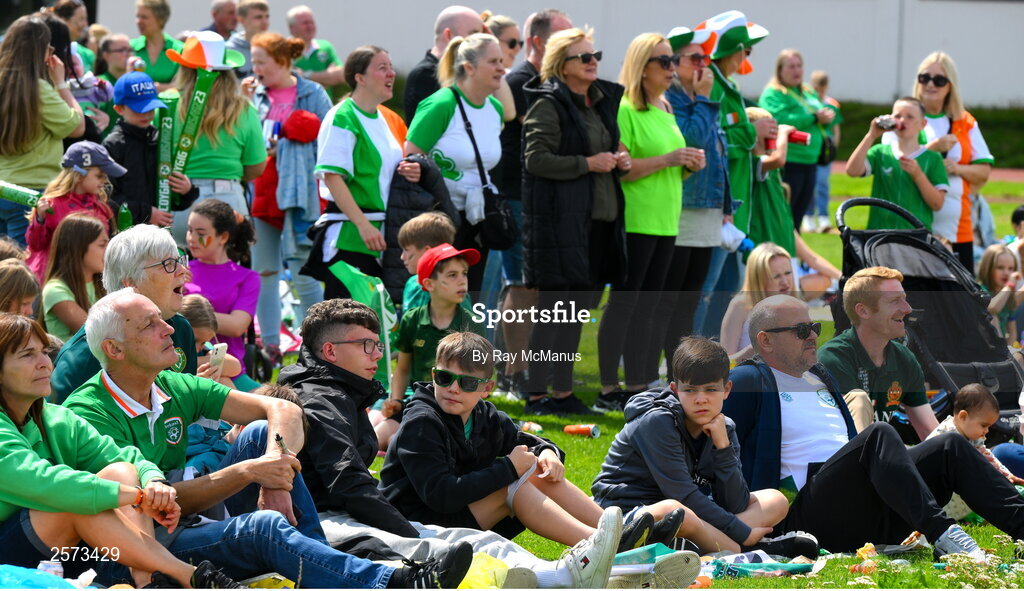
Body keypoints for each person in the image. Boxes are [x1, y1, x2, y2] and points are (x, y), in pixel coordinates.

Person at [63, 289, 473, 589]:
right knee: (263, 528)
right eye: (150, 324)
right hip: (140, 550)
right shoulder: (90, 412)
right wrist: (247, 472)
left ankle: (322, 564)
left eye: (161, 317)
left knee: (261, 433)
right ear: (114, 349)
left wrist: (274, 468)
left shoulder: (169, 383)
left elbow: (284, 409)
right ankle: (393, 584)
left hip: (188, 517)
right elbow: (156, 508)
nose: (169, 327)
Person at [724, 294, 1024, 557]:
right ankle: (943, 533)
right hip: (806, 517)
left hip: (862, 507)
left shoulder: (820, 377)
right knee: (878, 433)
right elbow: (708, 443)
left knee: (951, 445)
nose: (813, 336)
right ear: (765, 340)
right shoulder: (750, 381)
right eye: (801, 331)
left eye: (813, 328)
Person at [0, 313, 242, 589]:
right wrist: (136, 495)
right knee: (74, 502)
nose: (45, 363)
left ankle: (148, 582)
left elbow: (123, 457)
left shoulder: (55, 418)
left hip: (77, 552)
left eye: (44, 352)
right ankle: (188, 575)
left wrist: (153, 482)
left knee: (122, 471)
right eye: (28, 355)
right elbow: (46, 483)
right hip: (8, 561)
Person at [381, 331, 647, 562]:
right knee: (514, 482)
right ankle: (604, 545)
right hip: (415, 527)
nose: (453, 388)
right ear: (433, 375)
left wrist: (548, 453)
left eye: (467, 383)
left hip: (454, 515)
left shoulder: (484, 415)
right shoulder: (422, 422)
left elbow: (528, 442)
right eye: (444, 377)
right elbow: (441, 495)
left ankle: (618, 533)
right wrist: (508, 468)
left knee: (534, 467)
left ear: (486, 388)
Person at [593, 336, 817, 558]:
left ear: (727, 389)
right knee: (678, 512)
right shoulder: (657, 421)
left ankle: (699, 544)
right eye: (690, 390)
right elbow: (682, 495)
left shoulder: (724, 427)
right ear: (675, 390)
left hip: (689, 514)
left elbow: (735, 503)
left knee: (774, 500)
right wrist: (743, 532)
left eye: (711, 390)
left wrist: (723, 448)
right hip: (631, 514)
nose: (701, 399)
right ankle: (751, 550)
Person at [520, 27, 626, 416]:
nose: (593, 60)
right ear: (562, 66)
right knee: (555, 313)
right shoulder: (548, 103)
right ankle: (535, 394)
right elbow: (536, 159)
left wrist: (617, 160)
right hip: (560, 227)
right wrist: (589, 163)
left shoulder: (597, 102)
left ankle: (562, 392)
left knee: (575, 315)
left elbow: (603, 150)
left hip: (594, 227)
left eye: (594, 53)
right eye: (584, 56)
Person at [597, 32, 705, 404]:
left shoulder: (665, 106)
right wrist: (669, 159)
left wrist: (688, 165)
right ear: (642, 68)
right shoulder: (625, 108)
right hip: (636, 220)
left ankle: (639, 384)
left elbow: (669, 167)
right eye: (664, 61)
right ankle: (608, 387)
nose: (672, 68)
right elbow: (623, 169)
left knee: (652, 306)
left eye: (673, 60)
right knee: (625, 305)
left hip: (666, 221)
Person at [493, 9, 573, 395]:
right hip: (519, 197)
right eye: (565, 38)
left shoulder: (554, 83)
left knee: (538, 290)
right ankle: (516, 371)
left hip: (547, 201)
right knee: (522, 287)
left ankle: (529, 372)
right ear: (539, 42)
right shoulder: (521, 80)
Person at [244, 31, 330, 364]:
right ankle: (270, 348)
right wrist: (242, 101)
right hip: (262, 196)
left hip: (300, 196)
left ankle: (318, 346)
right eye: (253, 62)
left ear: (281, 61)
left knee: (304, 272)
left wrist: (293, 142)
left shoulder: (312, 92)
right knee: (264, 273)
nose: (255, 68)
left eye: (260, 61)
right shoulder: (253, 95)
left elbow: (328, 136)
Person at [313, 45, 421, 298]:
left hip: (384, 237)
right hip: (351, 236)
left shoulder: (389, 118)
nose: (391, 73)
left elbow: (393, 169)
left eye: (391, 67)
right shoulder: (342, 116)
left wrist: (413, 169)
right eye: (382, 68)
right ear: (359, 78)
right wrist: (363, 225)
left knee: (374, 324)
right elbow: (332, 175)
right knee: (345, 323)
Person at [691, 11, 772, 339]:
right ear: (734, 48)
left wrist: (746, 135)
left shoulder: (728, 85)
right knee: (705, 289)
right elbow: (718, 137)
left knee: (726, 291)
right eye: (746, 50)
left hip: (732, 206)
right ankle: (688, 356)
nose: (746, 57)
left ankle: (714, 353)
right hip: (718, 206)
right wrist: (750, 132)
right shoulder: (712, 82)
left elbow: (732, 136)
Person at [50, 225, 197, 403]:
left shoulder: (180, 329)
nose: (182, 270)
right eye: (168, 264)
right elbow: (63, 425)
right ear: (131, 283)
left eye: (179, 260)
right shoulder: (84, 357)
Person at [405, 33, 505, 293]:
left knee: (469, 296)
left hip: (478, 218)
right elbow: (411, 157)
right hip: (441, 221)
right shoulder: (441, 104)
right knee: (440, 298)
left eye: (502, 61)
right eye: (493, 61)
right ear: (469, 67)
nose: (502, 68)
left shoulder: (494, 108)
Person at [651, 26, 721, 387]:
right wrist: (706, 100)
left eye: (705, 59)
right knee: (673, 301)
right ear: (674, 63)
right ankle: (667, 374)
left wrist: (726, 206)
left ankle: (678, 372)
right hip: (682, 212)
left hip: (706, 213)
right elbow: (691, 140)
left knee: (691, 300)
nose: (703, 66)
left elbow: (715, 158)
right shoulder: (675, 100)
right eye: (695, 59)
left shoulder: (700, 98)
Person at [168, 30, 268, 246]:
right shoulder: (244, 109)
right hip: (228, 201)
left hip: (179, 201)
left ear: (185, 69)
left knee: (178, 276)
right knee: (229, 275)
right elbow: (256, 166)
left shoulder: (168, 104)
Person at [818, 266, 939, 439]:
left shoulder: (904, 358)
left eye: (904, 299)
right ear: (863, 311)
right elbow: (853, 442)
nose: (908, 309)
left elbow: (930, 432)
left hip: (879, 455)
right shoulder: (833, 359)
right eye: (895, 300)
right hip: (845, 459)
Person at [0, 15, 85, 246]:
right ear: (39, 50)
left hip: (2, 186)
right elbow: (77, 126)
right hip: (30, 193)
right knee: (23, 273)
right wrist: (61, 84)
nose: (52, 51)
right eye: (48, 46)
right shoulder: (38, 89)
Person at [911, 52, 994, 272]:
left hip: (958, 228)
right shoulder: (906, 116)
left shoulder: (965, 122)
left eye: (939, 80)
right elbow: (897, 159)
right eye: (924, 78)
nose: (930, 84)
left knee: (961, 297)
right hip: (914, 223)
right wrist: (932, 149)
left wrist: (957, 168)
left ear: (950, 86)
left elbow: (983, 171)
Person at [390, 244, 485, 425]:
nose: (462, 281)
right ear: (429, 284)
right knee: (380, 433)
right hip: (417, 403)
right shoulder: (412, 319)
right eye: (452, 275)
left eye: (464, 273)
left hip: (458, 408)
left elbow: (476, 379)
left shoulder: (472, 323)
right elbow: (402, 369)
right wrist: (396, 401)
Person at [104, 71, 199, 228]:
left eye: (151, 108)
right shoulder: (113, 144)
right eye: (139, 109)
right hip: (127, 233)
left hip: (159, 232)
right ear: (119, 109)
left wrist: (186, 191)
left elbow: (172, 198)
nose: (146, 114)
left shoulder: (161, 139)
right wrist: (146, 213)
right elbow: (107, 196)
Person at [183, 199, 260, 387]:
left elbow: (236, 326)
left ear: (223, 237)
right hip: (184, 368)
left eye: (200, 233)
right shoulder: (179, 270)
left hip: (231, 369)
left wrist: (187, 311)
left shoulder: (247, 277)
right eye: (189, 230)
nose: (191, 238)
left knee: (285, 404)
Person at [758, 49, 836, 230]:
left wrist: (825, 118)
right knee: (785, 216)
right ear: (780, 70)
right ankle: (786, 255)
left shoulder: (807, 92)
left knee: (798, 217)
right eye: (791, 66)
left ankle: (794, 257)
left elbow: (815, 117)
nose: (797, 70)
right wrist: (815, 117)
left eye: (799, 66)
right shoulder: (774, 93)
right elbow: (779, 119)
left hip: (810, 161)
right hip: (788, 161)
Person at [845, 97, 948, 231]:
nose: (903, 120)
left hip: (915, 237)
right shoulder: (881, 152)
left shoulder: (933, 158)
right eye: (897, 116)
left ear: (922, 124)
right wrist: (871, 135)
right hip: (879, 235)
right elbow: (852, 171)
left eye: (910, 117)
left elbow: (937, 204)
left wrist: (918, 175)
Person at [25, 141, 120, 281]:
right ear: (79, 174)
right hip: (54, 278)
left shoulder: (100, 206)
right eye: (99, 176)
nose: (105, 181)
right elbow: (35, 245)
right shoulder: (52, 204)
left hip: (87, 279)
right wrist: (40, 218)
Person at [403, 5, 484, 124]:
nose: (479, 43)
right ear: (449, 35)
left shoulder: (458, 73)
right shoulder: (426, 75)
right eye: (473, 35)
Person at [720, 243, 795, 364]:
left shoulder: (794, 307)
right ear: (758, 278)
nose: (785, 282)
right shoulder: (741, 306)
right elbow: (724, 365)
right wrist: (754, 350)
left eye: (788, 273)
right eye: (776, 276)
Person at [40, 215, 109, 343]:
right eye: (102, 245)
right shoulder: (55, 289)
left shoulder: (103, 283)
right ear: (78, 248)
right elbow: (96, 332)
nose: (108, 250)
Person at [179, 293, 242, 388]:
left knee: (221, 379)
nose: (197, 349)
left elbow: (235, 367)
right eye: (194, 340)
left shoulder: (203, 350)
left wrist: (194, 362)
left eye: (203, 342)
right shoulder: (169, 348)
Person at [807, 70, 842, 233]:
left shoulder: (831, 104)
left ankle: (822, 217)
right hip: (810, 147)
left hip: (824, 149)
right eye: (817, 87)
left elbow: (836, 128)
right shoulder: (807, 102)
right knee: (809, 183)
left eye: (822, 87)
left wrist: (834, 146)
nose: (819, 91)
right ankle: (808, 217)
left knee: (822, 183)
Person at [286, 5, 346, 88]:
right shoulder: (283, 50)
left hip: (324, 100)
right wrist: (326, 77)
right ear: (291, 28)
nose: (310, 27)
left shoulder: (325, 47)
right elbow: (286, 80)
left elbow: (341, 75)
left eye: (312, 22)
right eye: (305, 23)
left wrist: (305, 75)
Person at [975, 244, 1024, 344]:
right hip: (981, 344)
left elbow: (1013, 332)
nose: (1006, 273)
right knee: (994, 318)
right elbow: (993, 308)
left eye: (1010, 269)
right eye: (1000, 267)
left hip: (1001, 347)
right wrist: (1009, 285)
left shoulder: (1007, 295)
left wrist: (1009, 350)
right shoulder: (981, 289)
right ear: (988, 268)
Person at [131, 0, 184, 89]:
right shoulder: (130, 48)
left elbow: (183, 85)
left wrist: (153, 88)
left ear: (160, 19)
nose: (138, 21)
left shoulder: (179, 50)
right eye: (137, 16)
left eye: (144, 17)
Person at [93, 34, 135, 133]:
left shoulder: (136, 82)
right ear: (106, 55)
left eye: (130, 50)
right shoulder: (98, 83)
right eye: (122, 50)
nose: (128, 54)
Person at [226, 0, 270, 79]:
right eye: (258, 17)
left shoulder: (275, 48)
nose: (265, 22)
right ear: (241, 20)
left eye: (267, 16)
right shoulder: (227, 50)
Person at [50, 0, 94, 74]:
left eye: (85, 19)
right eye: (81, 19)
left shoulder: (86, 54)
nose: (85, 24)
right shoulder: (50, 52)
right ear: (63, 20)